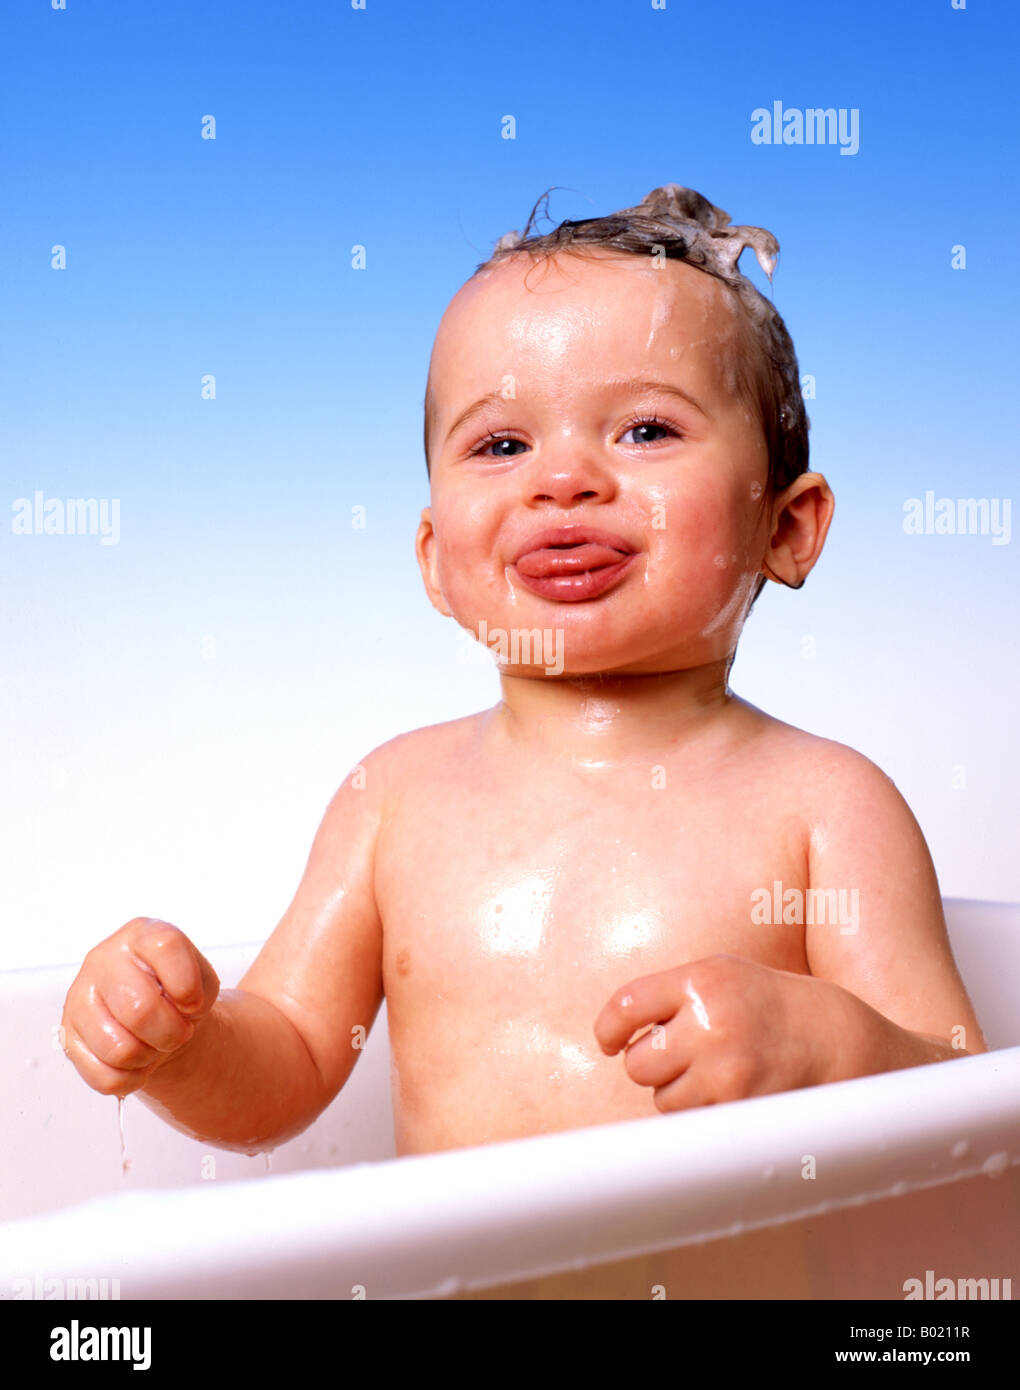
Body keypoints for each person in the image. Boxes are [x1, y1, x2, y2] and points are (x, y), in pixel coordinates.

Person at [61, 184, 988, 1157]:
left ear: (786, 527)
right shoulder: (395, 800)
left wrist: (837, 1046)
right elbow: (286, 1061)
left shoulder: (826, 806)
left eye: (646, 430)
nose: (563, 480)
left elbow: (970, 1105)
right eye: (502, 444)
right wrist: (182, 1044)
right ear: (433, 560)